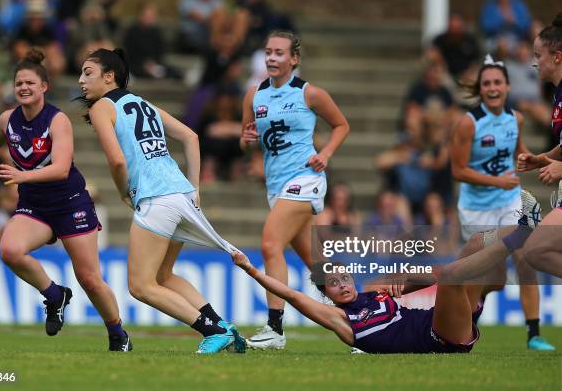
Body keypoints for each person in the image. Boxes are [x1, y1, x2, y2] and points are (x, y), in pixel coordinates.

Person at [0, 49, 132, 352]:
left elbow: (61, 169)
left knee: (89, 278)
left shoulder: (58, 120)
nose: (23, 87)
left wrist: (22, 177)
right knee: (10, 250)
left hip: (70, 202)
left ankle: (117, 333)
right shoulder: (7, 119)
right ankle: (54, 295)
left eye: (30, 83)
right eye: (19, 83)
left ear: (44, 87)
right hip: (35, 206)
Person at [77, 48, 246, 354]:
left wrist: (123, 191)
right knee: (163, 275)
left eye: (88, 73)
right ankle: (224, 326)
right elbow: (191, 137)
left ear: (109, 76)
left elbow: (116, 161)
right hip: (181, 194)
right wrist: (194, 189)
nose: (81, 80)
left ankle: (212, 331)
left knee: (140, 286)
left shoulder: (102, 107)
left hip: (157, 199)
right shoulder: (142, 102)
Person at [240, 30, 350, 349]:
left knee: (270, 243)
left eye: (279, 53)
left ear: (294, 59)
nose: (272, 58)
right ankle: (363, 320)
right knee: (318, 264)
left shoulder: (309, 94)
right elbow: (245, 139)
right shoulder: (253, 95)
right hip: (276, 187)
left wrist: (325, 154)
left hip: (306, 180)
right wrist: (245, 142)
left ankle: (275, 328)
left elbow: (342, 125)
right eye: (268, 52)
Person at [450, 54, 554, 351]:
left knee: (526, 258)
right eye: (487, 84)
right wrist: (497, 181)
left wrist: (527, 158)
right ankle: (466, 327)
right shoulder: (468, 124)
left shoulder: (516, 118)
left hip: (509, 201)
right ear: (480, 89)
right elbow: (458, 170)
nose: (493, 88)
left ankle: (534, 333)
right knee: (486, 275)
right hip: (476, 207)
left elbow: (518, 150)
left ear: (507, 86)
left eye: (497, 82)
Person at [230, 248, 495, 354]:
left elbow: (433, 275)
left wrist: (406, 276)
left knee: (475, 245)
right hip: (439, 338)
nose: (342, 285)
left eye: (344, 278)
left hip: (442, 319)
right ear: (326, 293)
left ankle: (522, 229)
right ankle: (519, 233)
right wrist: (250, 269)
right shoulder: (341, 320)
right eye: (333, 283)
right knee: (456, 274)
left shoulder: (375, 288)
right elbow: (291, 295)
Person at [516, 13, 562, 278]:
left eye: (538, 55)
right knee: (536, 251)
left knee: (536, 250)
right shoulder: (558, 94)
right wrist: (543, 159)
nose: (534, 63)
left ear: (556, 56)